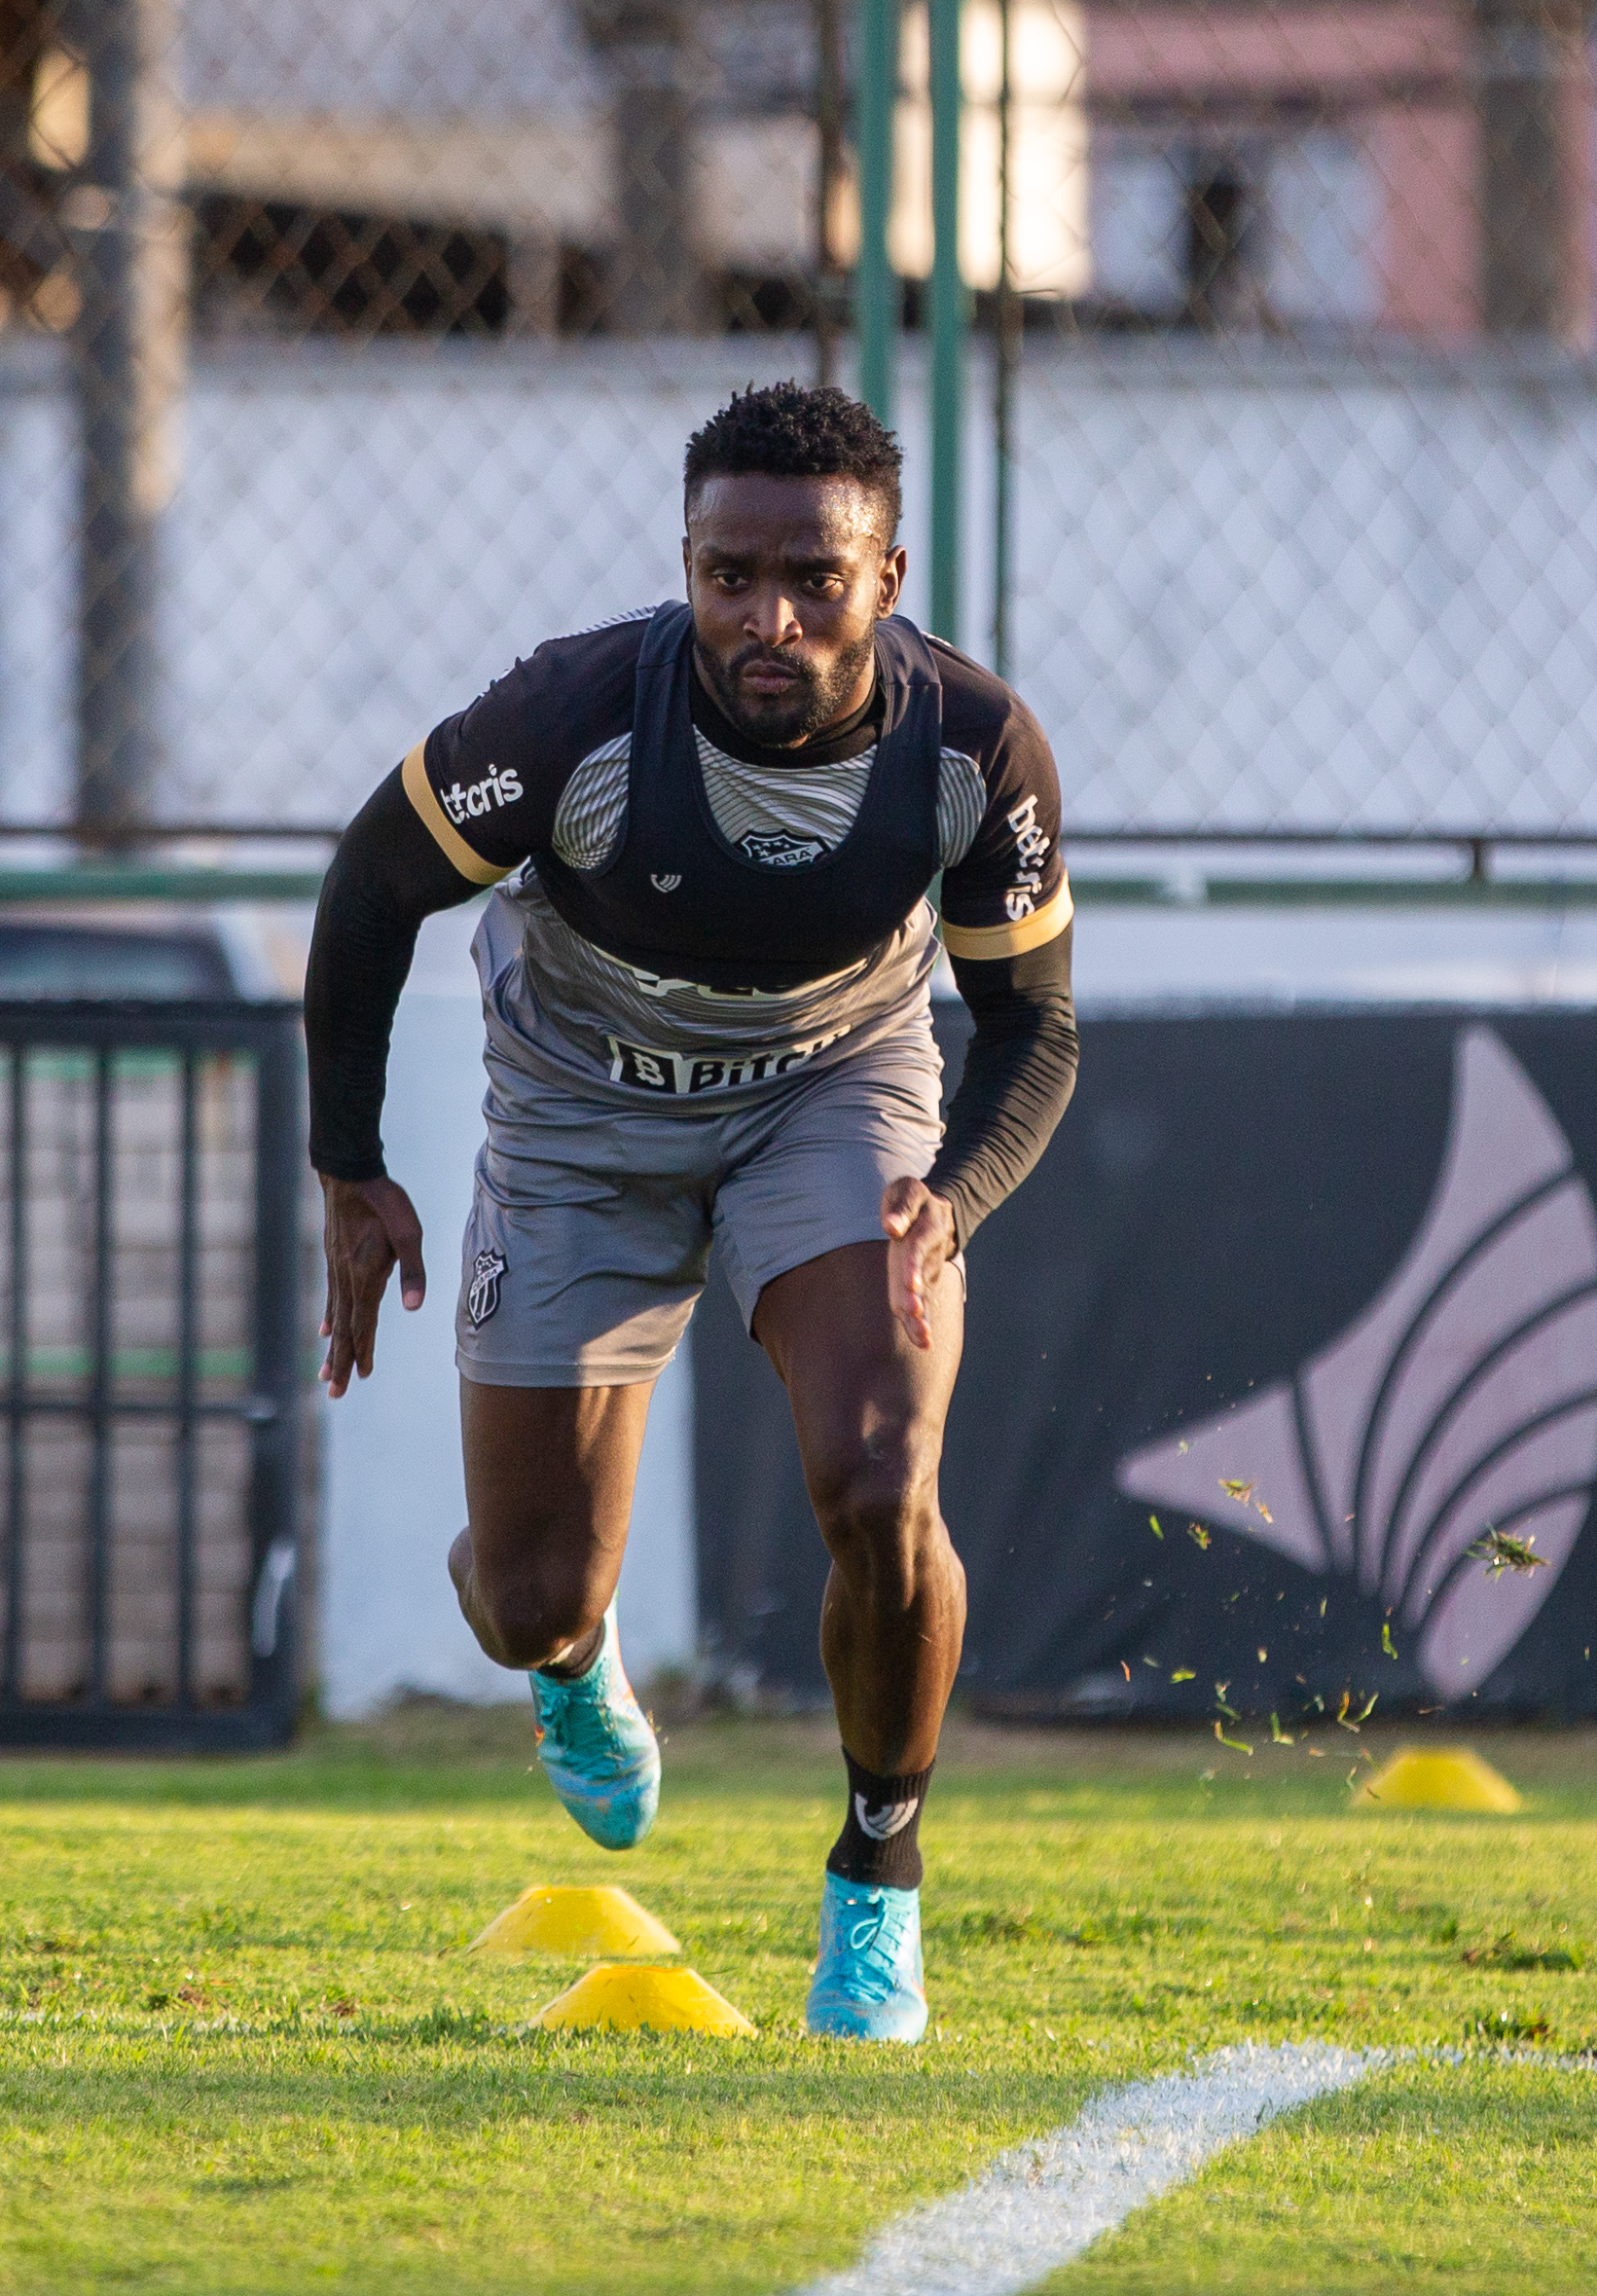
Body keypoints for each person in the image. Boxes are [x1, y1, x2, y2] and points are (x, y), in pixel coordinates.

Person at [302, 382, 1078, 2042]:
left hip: (833, 1090)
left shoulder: (972, 747)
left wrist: (952, 1198)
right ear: (686, 564)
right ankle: (574, 1672)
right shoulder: (573, 715)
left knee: (881, 1479)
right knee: (527, 1596)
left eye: (812, 577)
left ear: (886, 575)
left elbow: (1032, 1025)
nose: (768, 617)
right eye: (730, 575)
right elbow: (373, 884)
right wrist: (348, 1166)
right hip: (580, 1118)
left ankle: (876, 1886)